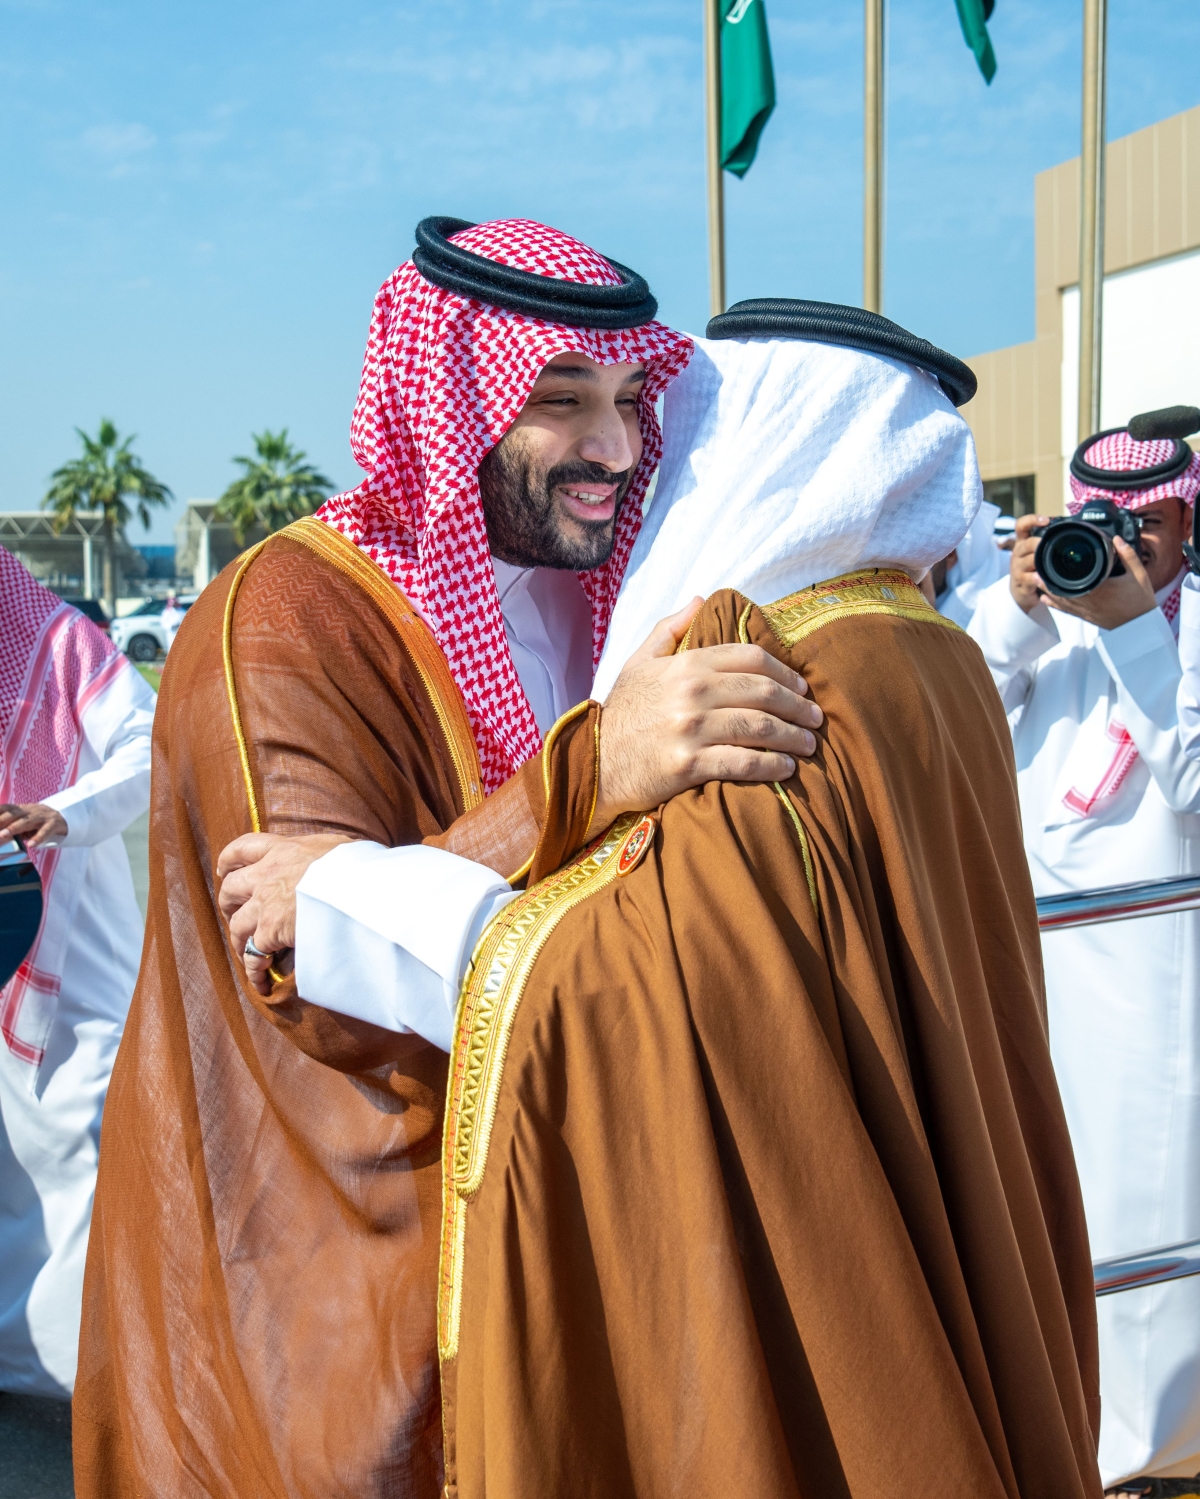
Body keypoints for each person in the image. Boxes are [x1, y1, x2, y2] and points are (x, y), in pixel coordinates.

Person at [221, 311, 1102, 1498]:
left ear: (754, 451)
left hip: (825, 1241)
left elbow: (636, 997)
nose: (638, 462)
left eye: (667, 432)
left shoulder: (770, 668)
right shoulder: (926, 651)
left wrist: (339, 896)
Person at [75, 219, 822, 1498]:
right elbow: (309, 971)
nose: (614, 447)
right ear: (451, 400)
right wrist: (592, 769)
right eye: (561, 400)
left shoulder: (610, 602)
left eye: (629, 400)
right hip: (325, 1272)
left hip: (534, 1224)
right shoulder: (284, 616)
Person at [969, 424, 1200, 1490]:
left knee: (1154, 1233)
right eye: (1101, 525)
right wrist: (1020, 610)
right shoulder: (1043, 623)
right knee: (1048, 1225)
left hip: (1161, 992)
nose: (1121, 545)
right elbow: (956, 720)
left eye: (1146, 525)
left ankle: (1157, 1457)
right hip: (1043, 989)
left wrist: (1134, 629)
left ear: (1188, 520)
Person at [0, 546, 153, 1398]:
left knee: (88, 1140)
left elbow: (150, 740)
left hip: (75, 948)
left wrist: (61, 811)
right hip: (5, 948)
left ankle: (85, 1375)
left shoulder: (56, 639)